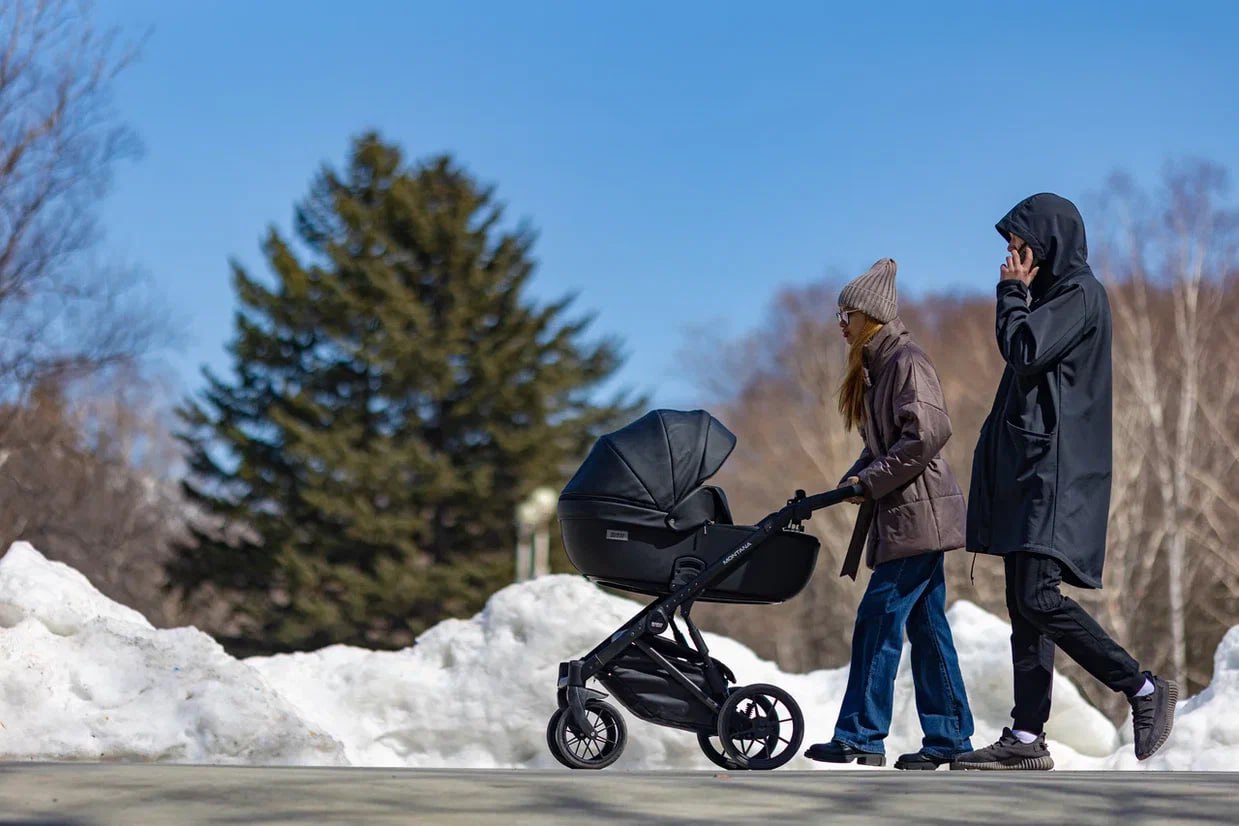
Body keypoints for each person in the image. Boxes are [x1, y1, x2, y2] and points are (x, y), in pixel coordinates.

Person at [952, 193, 1176, 771]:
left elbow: (1023, 350)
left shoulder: (1078, 294)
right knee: (1024, 608)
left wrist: (1010, 294)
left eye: (1019, 247)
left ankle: (1142, 687)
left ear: (1046, 245)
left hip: (1056, 476)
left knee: (1038, 598)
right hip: (1032, 475)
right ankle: (1027, 736)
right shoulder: (1055, 299)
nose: (1011, 259)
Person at [804, 258, 975, 771]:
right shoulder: (878, 367)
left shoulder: (905, 361)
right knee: (928, 629)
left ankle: (861, 734)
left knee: (877, 620)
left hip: (918, 517)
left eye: (848, 315)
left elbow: (926, 434)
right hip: (907, 515)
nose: (841, 324)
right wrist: (853, 480)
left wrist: (871, 480)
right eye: (839, 315)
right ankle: (949, 738)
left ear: (872, 316)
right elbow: (885, 444)